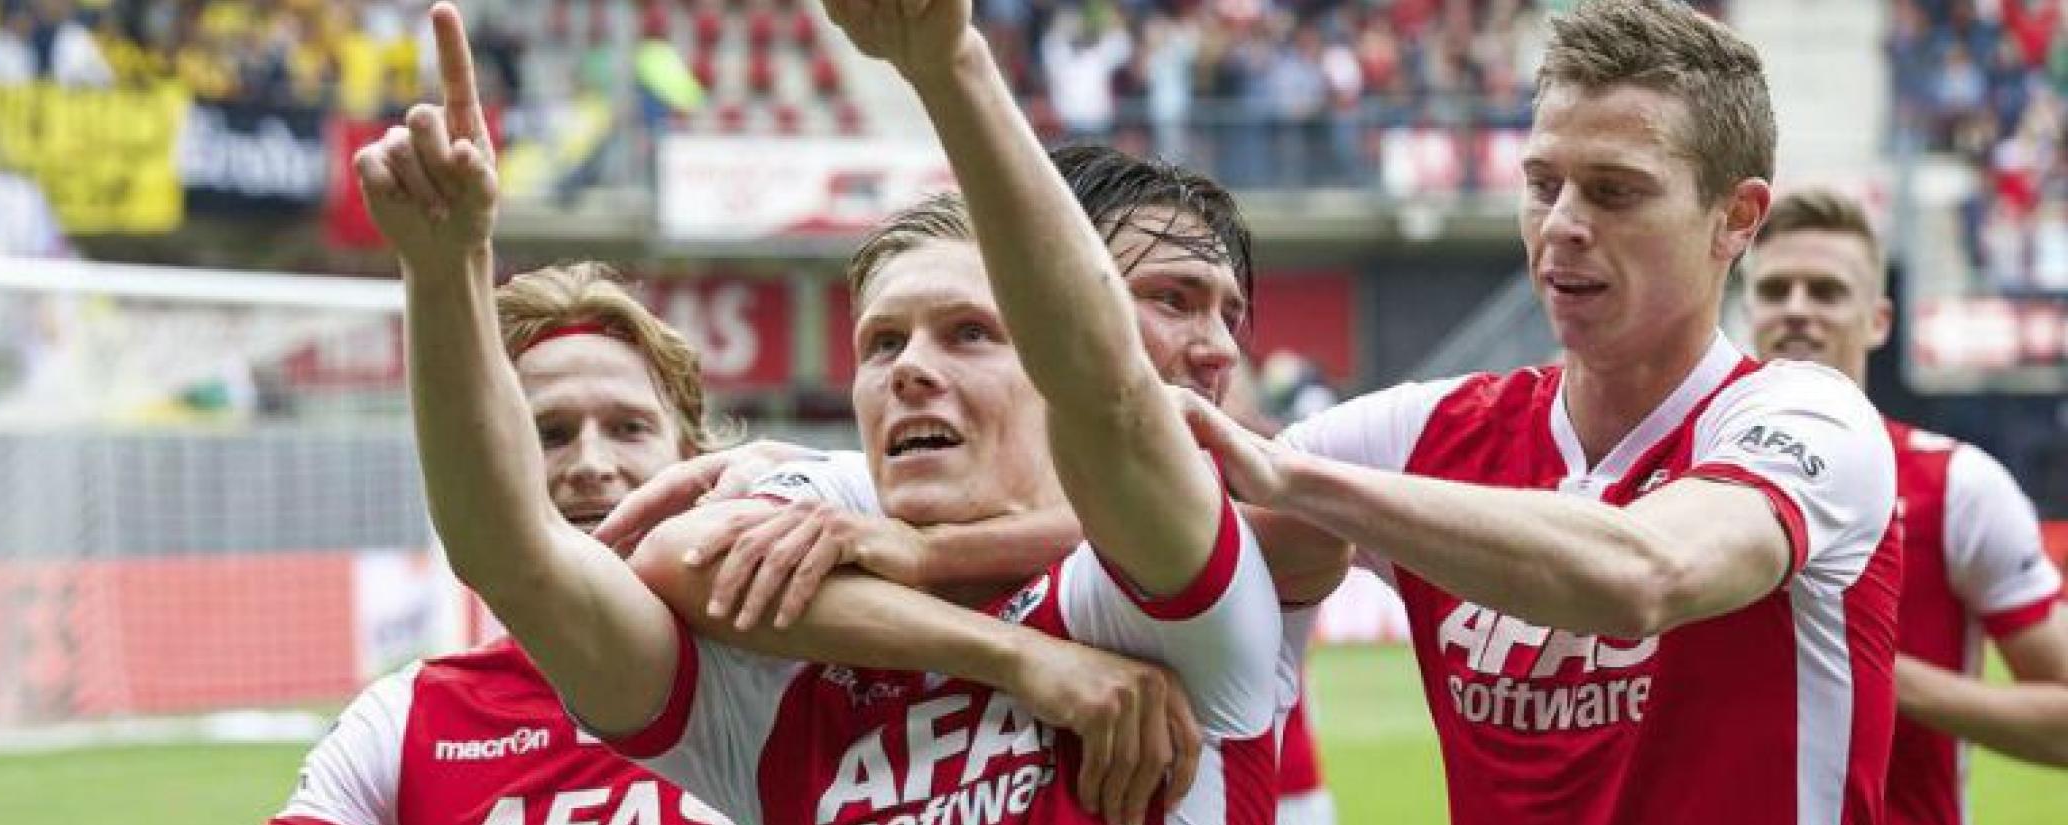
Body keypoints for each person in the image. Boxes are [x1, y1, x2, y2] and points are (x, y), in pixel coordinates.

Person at [353, 5, 1247, 824]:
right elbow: (518, 559)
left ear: (1047, 369)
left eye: (970, 334)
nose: (911, 371)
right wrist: (445, 273)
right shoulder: (770, 671)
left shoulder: (1140, 597)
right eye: (882, 344)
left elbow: (1113, 396)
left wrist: (950, 67)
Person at [1174, 1, 1903, 823]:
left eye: (1615, 192)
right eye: (1542, 183)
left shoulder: (1812, 420)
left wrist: (1294, 477)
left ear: (1735, 219)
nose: (1562, 225)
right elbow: (1149, 548)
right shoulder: (1425, 430)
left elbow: (1644, 571)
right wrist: (1018, 653)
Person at [268, 263, 738, 825]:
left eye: (629, 428)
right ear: (489, 470)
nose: (591, 465)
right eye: (550, 433)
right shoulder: (403, 723)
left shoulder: (788, 683)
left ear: (693, 461)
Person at [1742, 187, 2068, 824]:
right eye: (1776, 289)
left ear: (1879, 320)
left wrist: (1873, 671)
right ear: (1747, 305)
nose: (1798, 310)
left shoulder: (1956, 485)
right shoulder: (1685, 477)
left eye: (1827, 291)